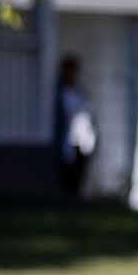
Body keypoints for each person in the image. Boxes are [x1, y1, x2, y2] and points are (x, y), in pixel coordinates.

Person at [56, 55, 97, 199]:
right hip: (66, 142)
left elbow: (88, 115)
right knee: (67, 177)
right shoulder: (59, 93)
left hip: (83, 141)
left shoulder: (81, 92)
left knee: (79, 176)